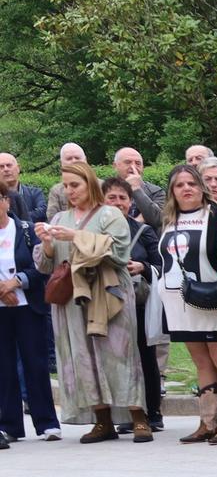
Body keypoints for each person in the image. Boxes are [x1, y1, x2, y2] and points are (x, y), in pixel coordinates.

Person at [34, 160, 145, 442]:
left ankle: (138, 417)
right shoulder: (59, 219)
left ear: (90, 184)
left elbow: (118, 252)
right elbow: (46, 266)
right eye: (66, 186)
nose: (70, 191)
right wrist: (47, 243)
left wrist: (76, 236)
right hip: (72, 298)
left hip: (108, 293)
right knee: (82, 356)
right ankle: (102, 420)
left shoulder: (110, 214)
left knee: (119, 353)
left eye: (75, 185)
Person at [154, 163, 217, 443]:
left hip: (211, 299)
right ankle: (208, 421)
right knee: (200, 361)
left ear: (201, 187)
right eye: (179, 185)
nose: (186, 189)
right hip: (176, 301)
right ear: (172, 191)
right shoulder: (168, 219)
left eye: (191, 183)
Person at [102, 178, 164, 433]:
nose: (118, 203)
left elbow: (162, 265)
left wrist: (143, 267)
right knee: (114, 360)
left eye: (123, 198)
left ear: (130, 202)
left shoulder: (144, 231)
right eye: (112, 197)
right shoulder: (95, 230)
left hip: (138, 304)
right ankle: (125, 413)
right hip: (105, 304)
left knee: (145, 358)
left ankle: (153, 412)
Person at [0, 186, 60, 443]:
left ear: (6, 201)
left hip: (29, 306)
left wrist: (17, 282)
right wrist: (2, 290)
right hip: (1, 309)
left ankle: (47, 423)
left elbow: (42, 267)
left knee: (36, 363)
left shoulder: (26, 230)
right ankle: (9, 425)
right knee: (4, 367)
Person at [113, 147, 164, 229]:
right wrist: (139, 220)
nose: (133, 167)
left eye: (138, 163)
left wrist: (136, 189)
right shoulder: (103, 190)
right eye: (128, 162)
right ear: (115, 166)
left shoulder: (156, 192)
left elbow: (158, 220)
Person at [0, 152, 48, 222]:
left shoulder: (35, 193)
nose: (6, 169)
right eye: (1, 167)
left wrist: (16, 218)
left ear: (18, 168)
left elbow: (42, 213)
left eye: (9, 165)